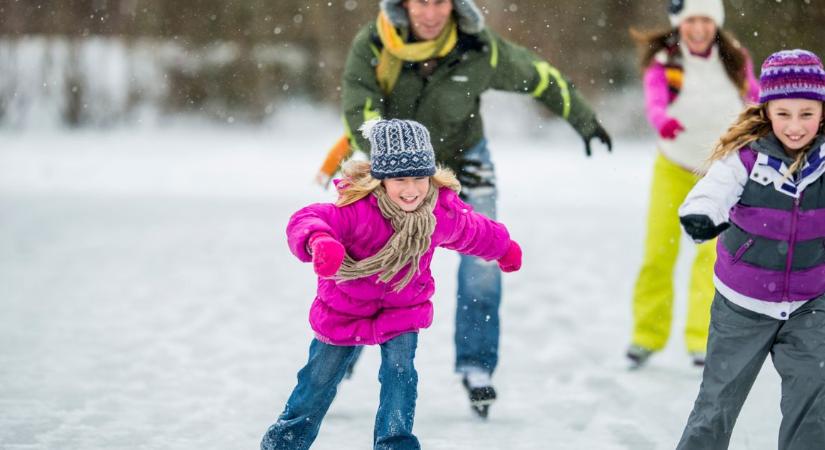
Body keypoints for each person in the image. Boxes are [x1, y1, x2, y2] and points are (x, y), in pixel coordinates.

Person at [335, 0, 611, 415]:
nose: (429, 13)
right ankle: (344, 352)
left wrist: (584, 118)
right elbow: (361, 111)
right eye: (420, 2)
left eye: (439, 2)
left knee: (483, 258)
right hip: (394, 171)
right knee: (371, 256)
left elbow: (539, 77)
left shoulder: (480, 48)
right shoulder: (376, 42)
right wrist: (399, 170)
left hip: (466, 161)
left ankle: (476, 367)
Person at [260, 118, 522, 450]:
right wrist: (320, 242)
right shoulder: (357, 209)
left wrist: (504, 248)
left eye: (419, 178)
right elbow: (308, 219)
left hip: (403, 308)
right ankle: (285, 441)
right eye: (400, 179)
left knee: (401, 376)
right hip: (344, 308)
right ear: (381, 179)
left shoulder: (437, 212)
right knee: (319, 380)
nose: (411, 190)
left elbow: (474, 230)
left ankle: (394, 443)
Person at [676, 49, 825, 449]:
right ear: (767, 110)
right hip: (742, 305)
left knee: (814, 400)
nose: (795, 126)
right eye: (784, 114)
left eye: (807, 114)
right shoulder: (745, 157)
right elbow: (712, 191)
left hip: (812, 302)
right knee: (717, 403)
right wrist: (702, 216)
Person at [626, 0, 759, 368]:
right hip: (672, 167)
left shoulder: (734, 59)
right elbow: (654, 101)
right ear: (679, 24)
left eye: (705, 20)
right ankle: (646, 336)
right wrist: (661, 119)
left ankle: (702, 339)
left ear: (715, 23)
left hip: (719, 173)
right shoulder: (667, 64)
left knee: (712, 257)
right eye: (691, 21)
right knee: (658, 252)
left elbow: (756, 99)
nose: (698, 29)